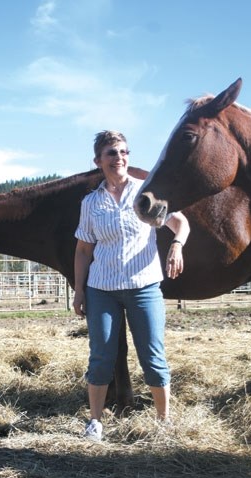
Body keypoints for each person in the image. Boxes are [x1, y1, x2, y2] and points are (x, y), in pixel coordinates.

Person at [73, 130, 190, 440]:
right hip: (102, 289)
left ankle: (163, 422)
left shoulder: (145, 194)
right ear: (98, 160)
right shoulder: (91, 203)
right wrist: (79, 290)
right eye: (111, 153)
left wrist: (176, 245)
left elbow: (180, 223)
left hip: (144, 286)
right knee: (101, 355)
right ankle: (95, 422)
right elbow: (84, 251)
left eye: (123, 151)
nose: (119, 157)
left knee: (152, 353)